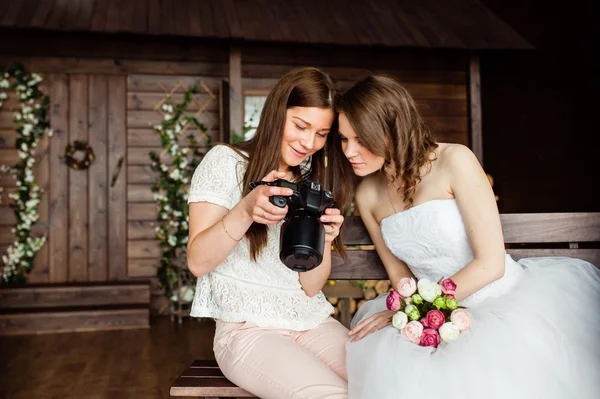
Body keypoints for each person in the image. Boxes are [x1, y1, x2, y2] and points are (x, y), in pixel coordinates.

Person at [331, 75, 600, 399]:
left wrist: (421, 306)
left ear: (388, 130)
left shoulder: (454, 160)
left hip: (501, 302)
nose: (349, 151)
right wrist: (409, 313)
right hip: (427, 313)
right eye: (344, 140)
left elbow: (491, 263)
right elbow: (399, 276)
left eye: (359, 139)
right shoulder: (367, 195)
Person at [186, 67, 351, 399]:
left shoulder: (310, 181)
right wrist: (246, 209)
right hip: (247, 330)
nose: (309, 143)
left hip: (310, 321)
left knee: (386, 380)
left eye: (321, 133)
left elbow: (311, 286)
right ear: (277, 114)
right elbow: (198, 263)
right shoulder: (226, 162)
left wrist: (326, 241)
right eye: (300, 126)